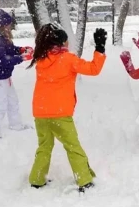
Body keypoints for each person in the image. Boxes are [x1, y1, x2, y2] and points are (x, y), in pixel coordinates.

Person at [27, 24, 107, 193]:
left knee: (44, 147)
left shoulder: (41, 59)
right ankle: (84, 180)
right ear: (62, 43)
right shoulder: (67, 59)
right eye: (66, 42)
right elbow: (93, 69)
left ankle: (36, 179)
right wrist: (99, 48)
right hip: (60, 114)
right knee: (73, 147)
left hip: (40, 113)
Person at [0, 8, 34, 144]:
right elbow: (2, 60)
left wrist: (20, 49)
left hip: (3, 76)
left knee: (12, 101)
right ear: (1, 23)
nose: (10, 26)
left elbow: (8, 50)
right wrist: (21, 57)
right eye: (7, 23)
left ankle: (16, 125)